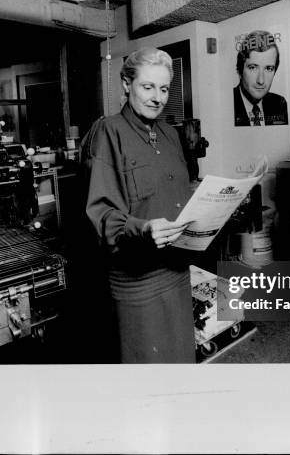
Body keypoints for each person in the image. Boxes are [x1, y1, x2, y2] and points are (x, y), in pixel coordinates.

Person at [80, 47, 195, 363]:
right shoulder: (107, 132)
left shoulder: (171, 135)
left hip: (177, 269)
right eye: (148, 87)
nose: (158, 97)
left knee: (181, 358)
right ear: (126, 84)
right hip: (137, 279)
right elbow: (100, 213)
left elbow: (176, 194)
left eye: (164, 88)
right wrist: (142, 228)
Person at [233, 30, 288, 126]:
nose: (261, 81)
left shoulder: (279, 103)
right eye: (253, 68)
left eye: (269, 68)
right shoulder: (229, 101)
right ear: (240, 71)